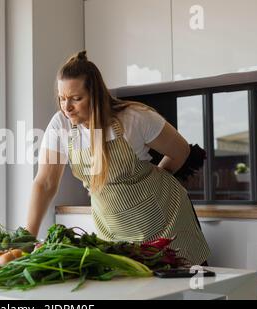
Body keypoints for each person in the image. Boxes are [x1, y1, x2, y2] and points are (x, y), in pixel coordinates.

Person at [25, 51, 211, 266]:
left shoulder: (134, 117)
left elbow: (180, 150)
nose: (67, 107)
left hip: (166, 225)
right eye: (62, 98)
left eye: (76, 99)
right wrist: (27, 240)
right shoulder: (61, 124)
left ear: (96, 95)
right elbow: (45, 182)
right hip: (114, 233)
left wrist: (152, 188)